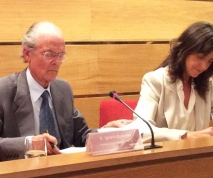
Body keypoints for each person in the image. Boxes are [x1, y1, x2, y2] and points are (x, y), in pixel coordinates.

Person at [0, 21, 127, 161]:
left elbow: (81, 135)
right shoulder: (4, 91)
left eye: (60, 55)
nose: (56, 62)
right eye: (49, 54)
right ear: (27, 54)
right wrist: (29, 144)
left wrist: (106, 132)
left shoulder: (62, 89)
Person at [133, 21, 213, 142]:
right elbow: (141, 130)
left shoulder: (206, 84)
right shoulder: (155, 80)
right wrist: (186, 135)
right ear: (184, 49)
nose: (204, 66)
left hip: (199, 157)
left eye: (210, 61)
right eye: (201, 57)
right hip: (163, 158)